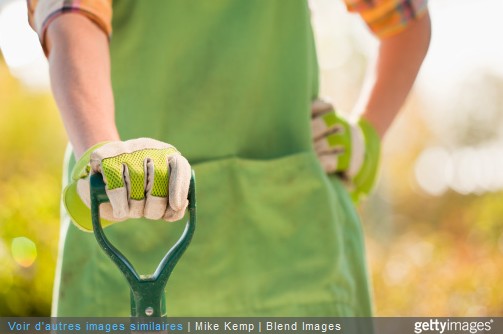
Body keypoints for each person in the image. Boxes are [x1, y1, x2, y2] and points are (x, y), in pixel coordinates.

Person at [28, 0, 431, 318]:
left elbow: (407, 20)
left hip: (299, 250)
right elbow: (73, 18)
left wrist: (367, 136)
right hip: (126, 231)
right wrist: (103, 149)